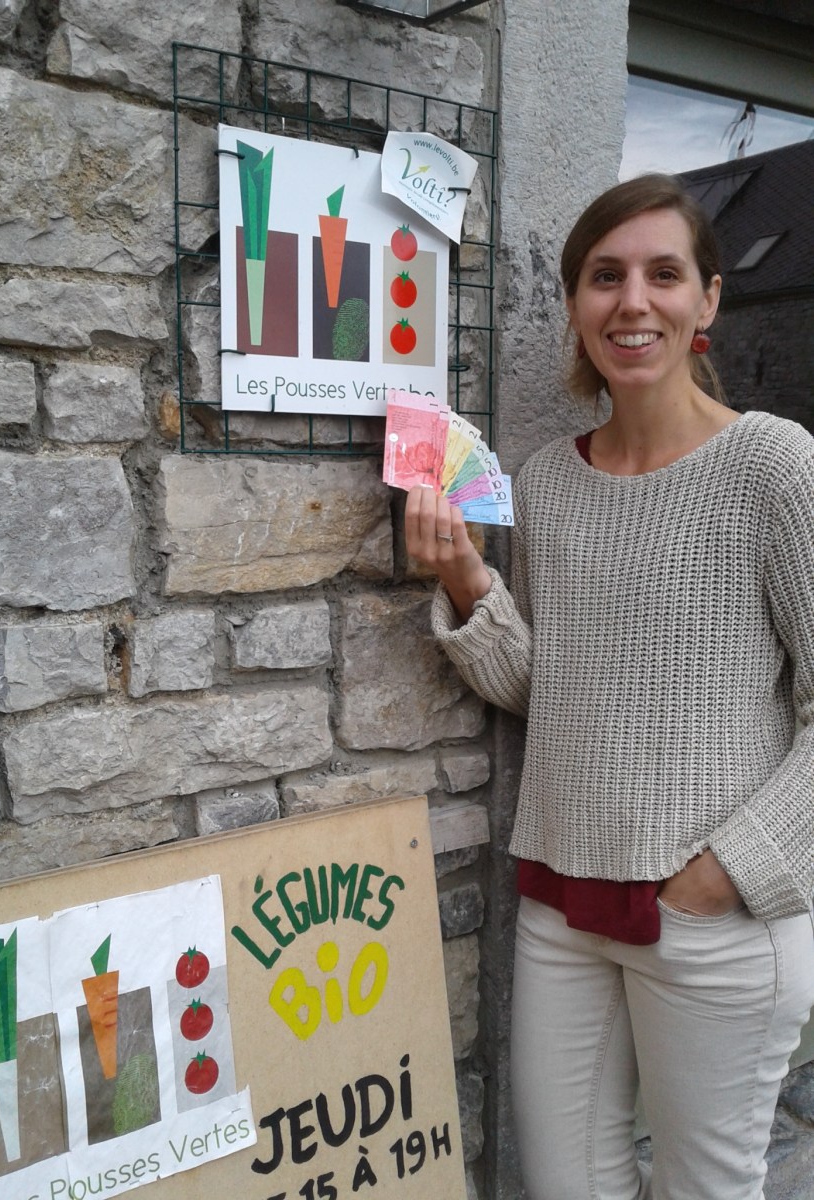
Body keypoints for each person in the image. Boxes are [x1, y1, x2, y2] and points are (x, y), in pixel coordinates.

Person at [405, 174, 814, 1200]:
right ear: (575, 302)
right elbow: (554, 692)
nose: (632, 301)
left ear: (706, 298)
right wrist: (467, 581)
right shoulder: (545, 480)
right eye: (604, 276)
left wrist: (726, 873)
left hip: (712, 919)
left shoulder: (774, 467)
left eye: (662, 274)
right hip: (562, 904)